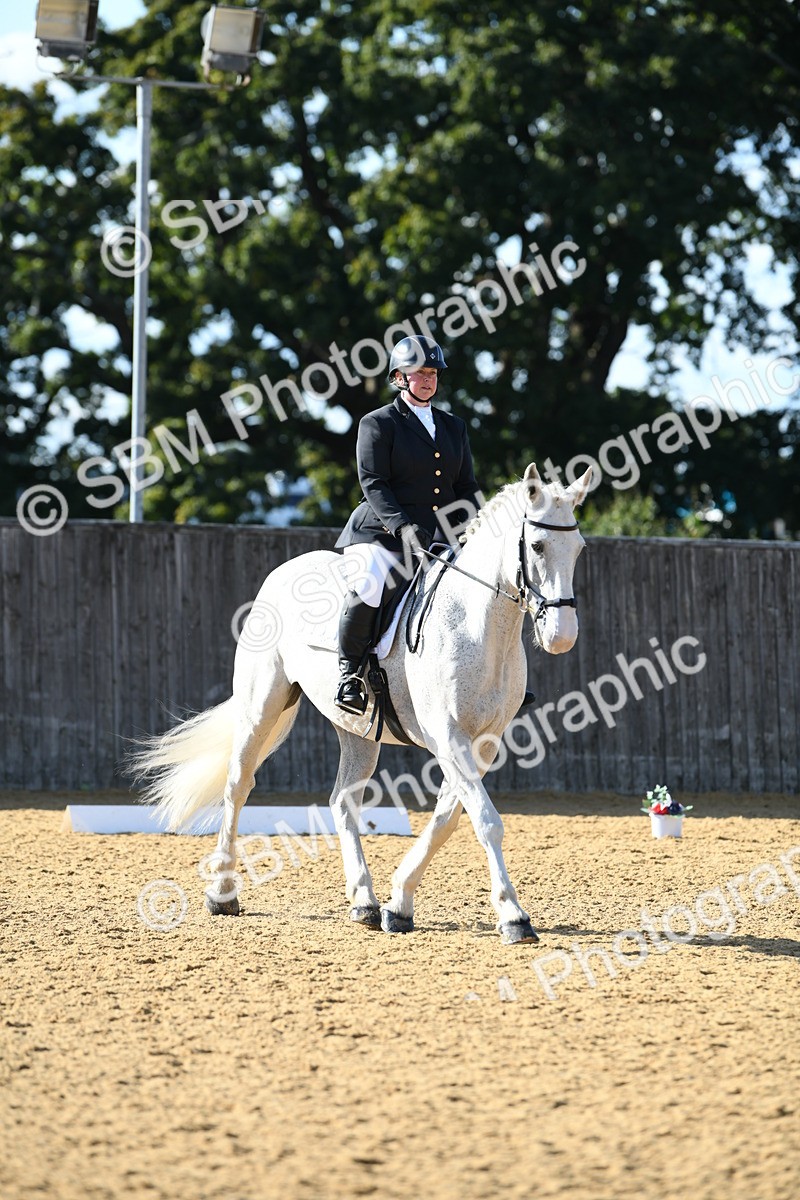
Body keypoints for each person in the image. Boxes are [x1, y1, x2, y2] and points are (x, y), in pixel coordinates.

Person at [333, 335, 481, 713]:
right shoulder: (378, 423)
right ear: (399, 376)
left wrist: (479, 528)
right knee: (369, 585)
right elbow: (374, 483)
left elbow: (464, 486)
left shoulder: (453, 427)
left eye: (433, 373)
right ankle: (348, 673)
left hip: (438, 534)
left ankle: (490, 675)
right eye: (419, 373)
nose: (428, 379)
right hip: (381, 532)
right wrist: (402, 527)